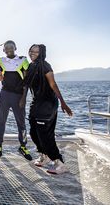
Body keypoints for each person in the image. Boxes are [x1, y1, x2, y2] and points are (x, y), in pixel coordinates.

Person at [24, 44, 73, 174]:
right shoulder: (31, 66)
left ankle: (59, 162)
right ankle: (44, 156)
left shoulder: (45, 65)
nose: (32, 53)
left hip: (47, 104)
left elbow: (53, 84)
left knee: (45, 135)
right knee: (34, 132)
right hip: (36, 104)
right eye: (31, 50)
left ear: (41, 53)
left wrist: (63, 103)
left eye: (36, 51)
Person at [0, 41, 32, 160]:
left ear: (15, 48)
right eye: (6, 47)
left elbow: (27, 81)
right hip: (4, 95)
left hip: (18, 96)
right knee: (1, 121)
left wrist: (24, 98)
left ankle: (23, 146)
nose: (9, 49)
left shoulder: (23, 60)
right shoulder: (0, 61)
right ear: (4, 50)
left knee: (21, 124)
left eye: (11, 46)